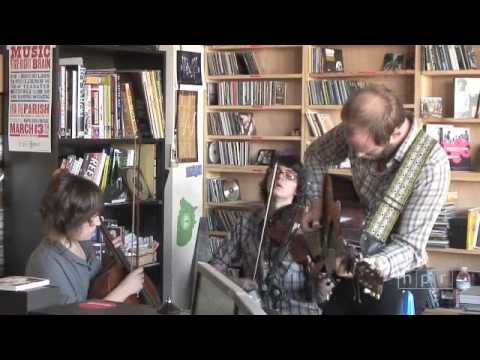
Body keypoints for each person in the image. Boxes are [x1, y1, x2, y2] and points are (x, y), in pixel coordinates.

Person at [302, 85, 450, 315]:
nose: (358, 157)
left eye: (367, 154)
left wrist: (367, 266)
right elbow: (315, 156)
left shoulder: (431, 166)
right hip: (346, 253)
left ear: (395, 134)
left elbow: (410, 248)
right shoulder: (361, 127)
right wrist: (315, 202)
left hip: (396, 272)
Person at [210, 155, 332, 315]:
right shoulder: (245, 223)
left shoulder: (307, 229)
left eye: (290, 176)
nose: (280, 177)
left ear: (298, 189)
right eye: (276, 171)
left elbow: (317, 296)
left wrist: (321, 289)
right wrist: (236, 283)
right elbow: (214, 268)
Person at [25, 171, 155, 305]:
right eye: (89, 218)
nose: (98, 222)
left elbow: (97, 286)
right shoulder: (45, 262)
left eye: (97, 214)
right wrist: (124, 290)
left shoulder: (82, 243)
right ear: (67, 219)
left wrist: (112, 257)